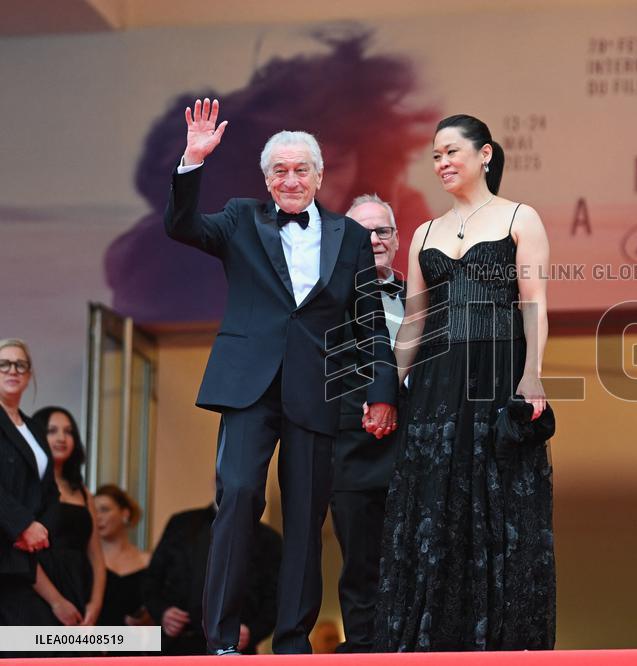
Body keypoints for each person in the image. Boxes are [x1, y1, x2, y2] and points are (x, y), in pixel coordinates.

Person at [164, 98, 398, 654]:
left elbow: (370, 322)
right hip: (248, 386)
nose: (290, 179)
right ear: (266, 179)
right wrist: (192, 161)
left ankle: (292, 641)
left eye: (301, 169)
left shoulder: (347, 236)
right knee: (240, 495)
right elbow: (182, 226)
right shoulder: (241, 218)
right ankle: (220, 637)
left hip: (317, 389)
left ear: (319, 176)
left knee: (305, 518)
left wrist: (381, 391)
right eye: (279, 170)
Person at [375, 115, 556, 651]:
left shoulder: (521, 218)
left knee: (493, 505)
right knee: (432, 506)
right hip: (432, 388)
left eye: (452, 151)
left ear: (485, 154)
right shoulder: (426, 232)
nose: (442, 163)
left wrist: (532, 379)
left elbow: (534, 304)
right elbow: (412, 322)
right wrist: (388, 390)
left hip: (496, 377)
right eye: (434, 156)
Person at [105, 31, 434, 324]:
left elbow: (412, 319)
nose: (317, 184)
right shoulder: (186, 242)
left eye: (335, 166)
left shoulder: (396, 218)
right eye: (297, 167)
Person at [327, 194, 405, 652]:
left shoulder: (422, 298)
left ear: (396, 240)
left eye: (383, 231)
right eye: (362, 232)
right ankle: (362, 650)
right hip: (350, 446)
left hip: (412, 449)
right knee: (360, 562)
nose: (374, 240)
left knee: (415, 557)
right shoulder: (323, 299)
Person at [143, 502, 282, 655]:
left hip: (236, 650)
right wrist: (162, 612)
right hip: (177, 646)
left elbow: (274, 599)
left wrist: (253, 632)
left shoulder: (269, 539)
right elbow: (151, 580)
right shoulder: (181, 524)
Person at [0, 339, 60, 627]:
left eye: (20, 364)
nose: (13, 370)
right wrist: (22, 525)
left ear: (29, 375)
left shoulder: (34, 427)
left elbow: (49, 489)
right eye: (4, 364)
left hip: (22, 559)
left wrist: (39, 530)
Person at [31, 406, 106, 627]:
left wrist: (95, 603)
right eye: (52, 431)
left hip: (79, 589)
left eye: (69, 431)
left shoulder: (83, 493)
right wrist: (56, 602)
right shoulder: (28, 487)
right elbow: (20, 555)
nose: (62, 438)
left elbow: (97, 558)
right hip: (38, 593)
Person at [94, 484, 152, 627]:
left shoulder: (148, 561)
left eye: (104, 510)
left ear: (125, 514)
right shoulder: (85, 561)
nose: (98, 517)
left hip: (137, 645)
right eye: (93, 511)